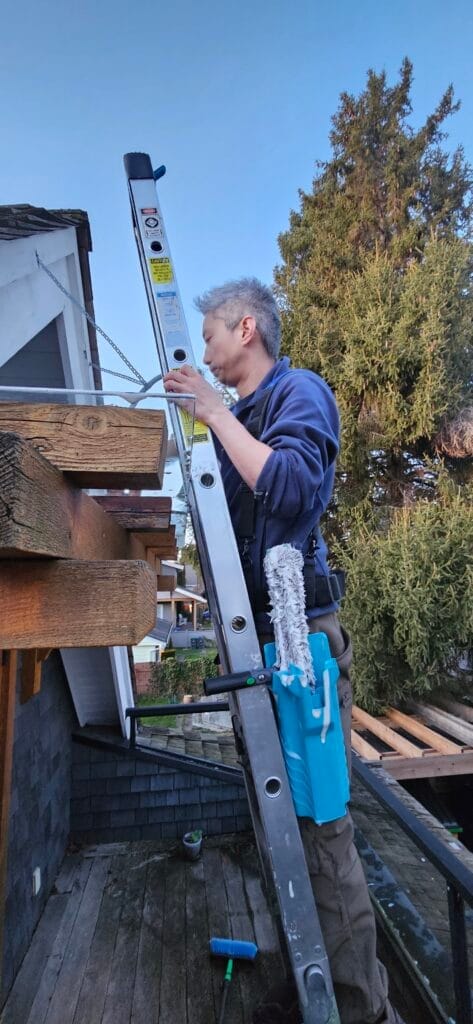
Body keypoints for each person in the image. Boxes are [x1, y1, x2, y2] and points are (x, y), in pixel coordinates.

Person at [163, 278, 404, 1024]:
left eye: (207, 337)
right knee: (276, 828)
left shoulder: (301, 391)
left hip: (302, 651)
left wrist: (208, 411)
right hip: (256, 651)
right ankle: (312, 983)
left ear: (244, 330)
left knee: (321, 828)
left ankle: (358, 1010)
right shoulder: (240, 417)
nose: (201, 353)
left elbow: (296, 486)